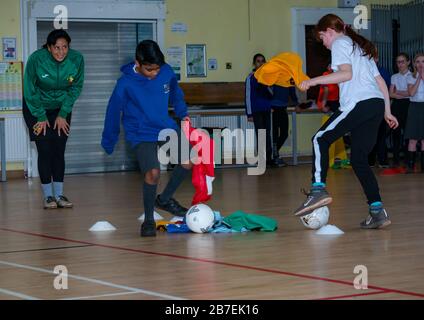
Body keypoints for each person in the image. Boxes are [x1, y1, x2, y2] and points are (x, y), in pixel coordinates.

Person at [294, 14, 398, 229]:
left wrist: (311, 81)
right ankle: (377, 211)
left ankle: (318, 189)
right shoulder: (360, 48)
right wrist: (387, 111)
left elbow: (345, 75)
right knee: (359, 159)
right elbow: (379, 82)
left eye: (322, 38)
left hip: (358, 103)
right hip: (375, 105)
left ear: (329, 32)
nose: (323, 43)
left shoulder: (340, 42)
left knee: (319, 139)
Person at [102, 40, 192, 237]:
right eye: (149, 69)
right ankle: (149, 220)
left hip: (165, 127)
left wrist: (182, 112)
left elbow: (176, 93)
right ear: (138, 63)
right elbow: (113, 111)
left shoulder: (166, 72)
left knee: (186, 163)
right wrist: (109, 140)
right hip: (141, 132)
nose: (155, 73)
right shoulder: (125, 84)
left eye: (157, 69)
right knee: (153, 173)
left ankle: (165, 199)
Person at [23, 29, 84, 209]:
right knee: (45, 149)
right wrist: (40, 116)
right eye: (56, 48)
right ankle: (48, 196)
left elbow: (76, 87)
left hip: (60, 108)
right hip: (36, 107)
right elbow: (30, 89)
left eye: (64, 47)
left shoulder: (77, 59)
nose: (61, 52)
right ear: (49, 48)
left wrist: (63, 113)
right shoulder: (37, 59)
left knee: (59, 149)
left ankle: (59, 195)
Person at [245, 53, 274, 167]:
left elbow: (272, 94)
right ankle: (262, 160)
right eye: (258, 61)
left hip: (266, 109)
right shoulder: (250, 77)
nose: (260, 63)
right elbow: (248, 96)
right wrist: (249, 113)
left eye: (262, 61)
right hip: (256, 111)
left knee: (268, 134)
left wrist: (266, 84)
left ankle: (269, 159)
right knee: (261, 134)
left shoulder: (268, 77)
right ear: (254, 63)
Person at [368, 54, 391, 168]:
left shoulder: (383, 72)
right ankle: (370, 161)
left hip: (380, 104)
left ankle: (383, 160)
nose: (372, 59)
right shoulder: (364, 69)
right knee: (369, 133)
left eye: (374, 57)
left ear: (377, 59)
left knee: (381, 134)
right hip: (368, 105)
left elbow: (386, 88)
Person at [389, 53, 411, 166]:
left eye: (402, 61)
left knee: (408, 133)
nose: (400, 64)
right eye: (398, 62)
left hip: (408, 105)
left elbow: (411, 93)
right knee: (395, 132)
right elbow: (390, 93)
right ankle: (396, 159)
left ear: (408, 62)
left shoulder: (412, 76)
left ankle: (408, 159)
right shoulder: (394, 76)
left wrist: (397, 92)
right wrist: (405, 94)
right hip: (396, 105)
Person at [405, 53, 424, 173]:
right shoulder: (410, 77)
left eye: (423, 61)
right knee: (412, 138)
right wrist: (419, 78)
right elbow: (411, 93)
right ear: (414, 64)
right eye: (418, 61)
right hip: (414, 107)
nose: (421, 64)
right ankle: (410, 167)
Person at [270, 85, 298, 166]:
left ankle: (273, 153)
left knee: (284, 133)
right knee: (274, 134)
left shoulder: (289, 76)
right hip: (273, 107)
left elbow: (292, 90)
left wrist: (296, 103)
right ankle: (274, 156)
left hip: (283, 107)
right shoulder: (273, 75)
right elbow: (268, 89)